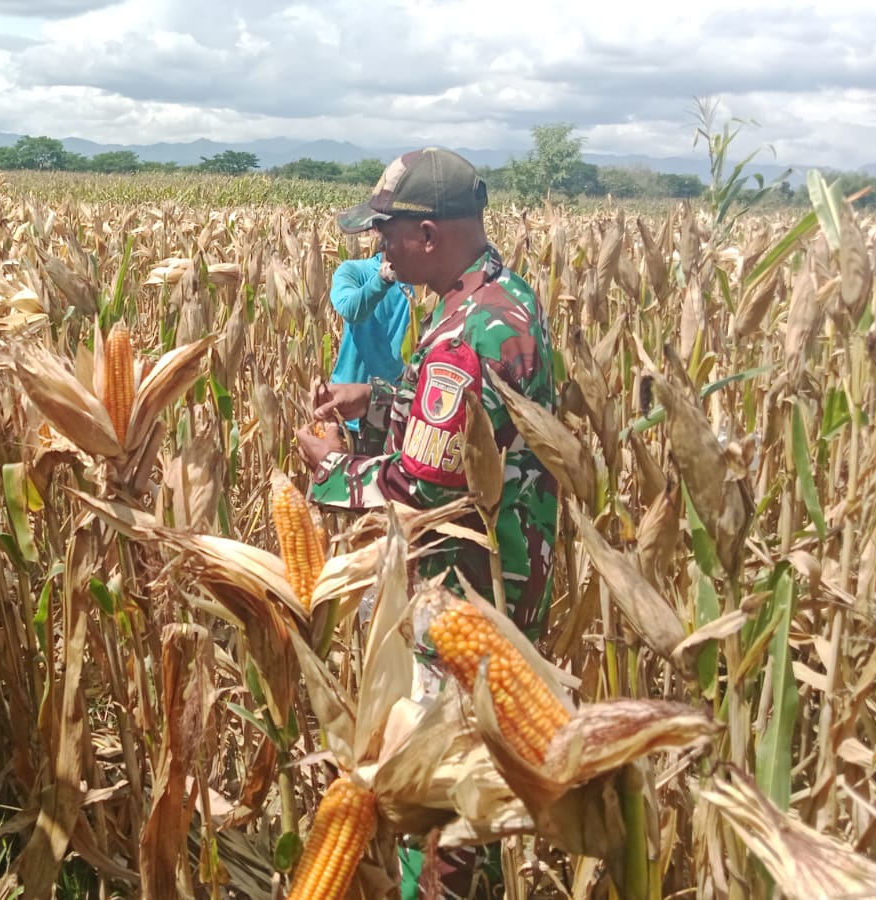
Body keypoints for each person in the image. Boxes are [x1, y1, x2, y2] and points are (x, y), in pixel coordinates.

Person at [294, 148, 558, 897]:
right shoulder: (495, 299)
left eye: (388, 231)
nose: (379, 247)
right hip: (501, 577)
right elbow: (463, 433)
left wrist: (329, 472)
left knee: (441, 783)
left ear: (430, 234)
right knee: (482, 772)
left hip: (465, 589)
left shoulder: (465, 335)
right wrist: (374, 399)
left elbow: (420, 485)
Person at [327, 248, 417, 435]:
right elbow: (350, 310)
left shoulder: (424, 280)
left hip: (396, 408)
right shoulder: (354, 270)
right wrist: (382, 280)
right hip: (347, 410)